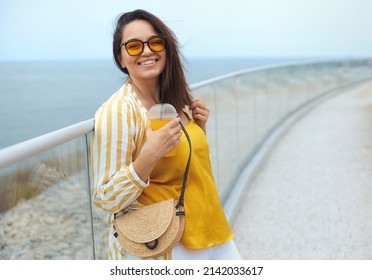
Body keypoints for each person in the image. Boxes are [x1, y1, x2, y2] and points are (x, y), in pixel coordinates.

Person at [90, 9, 241, 260]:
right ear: (120, 58)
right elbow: (104, 197)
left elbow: (186, 170)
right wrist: (150, 154)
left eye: (155, 42)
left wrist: (197, 133)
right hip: (162, 243)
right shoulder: (118, 111)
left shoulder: (176, 102)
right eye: (134, 46)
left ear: (166, 48)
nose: (147, 51)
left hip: (211, 229)